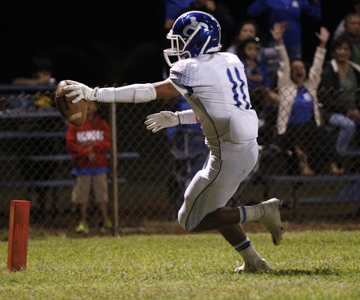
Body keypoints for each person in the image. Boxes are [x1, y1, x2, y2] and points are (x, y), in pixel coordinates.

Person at [63, 11, 282, 272]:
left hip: (227, 155)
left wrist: (94, 93)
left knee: (191, 219)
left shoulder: (191, 68)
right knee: (213, 207)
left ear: (196, 39)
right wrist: (178, 118)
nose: (175, 47)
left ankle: (262, 212)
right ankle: (254, 261)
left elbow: (147, 91)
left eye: (180, 40)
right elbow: (222, 110)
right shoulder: (230, 60)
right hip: (245, 149)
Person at [273, 22, 340, 175]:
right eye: (295, 68)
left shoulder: (310, 86)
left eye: (301, 67)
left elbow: (317, 67)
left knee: (324, 133)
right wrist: (279, 42)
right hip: (288, 131)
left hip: (310, 129)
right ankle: (303, 165)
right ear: (290, 72)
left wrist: (322, 44)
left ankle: (332, 164)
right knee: (301, 132)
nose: (298, 70)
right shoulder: (286, 87)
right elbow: (284, 63)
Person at [319, 34, 360, 155]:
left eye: (346, 49)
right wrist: (345, 111)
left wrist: (358, 110)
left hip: (354, 111)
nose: (343, 52)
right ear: (334, 52)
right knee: (348, 125)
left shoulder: (356, 70)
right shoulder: (329, 70)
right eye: (340, 49)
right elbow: (325, 97)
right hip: (332, 112)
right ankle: (339, 156)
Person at [66, 101, 112, 233]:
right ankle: (83, 221)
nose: (89, 106)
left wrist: (93, 148)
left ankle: (105, 220)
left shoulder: (102, 124)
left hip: (99, 165)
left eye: (91, 104)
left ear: (96, 107)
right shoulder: (75, 124)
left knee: (101, 196)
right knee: (82, 196)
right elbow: (71, 144)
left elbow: (107, 143)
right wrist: (86, 152)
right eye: (85, 104)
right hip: (82, 166)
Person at [247, 0, 322, 61]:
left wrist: (316, 2)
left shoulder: (300, 1)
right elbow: (252, 12)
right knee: (274, 71)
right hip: (275, 41)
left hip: (294, 42)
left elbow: (315, 15)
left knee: (293, 70)